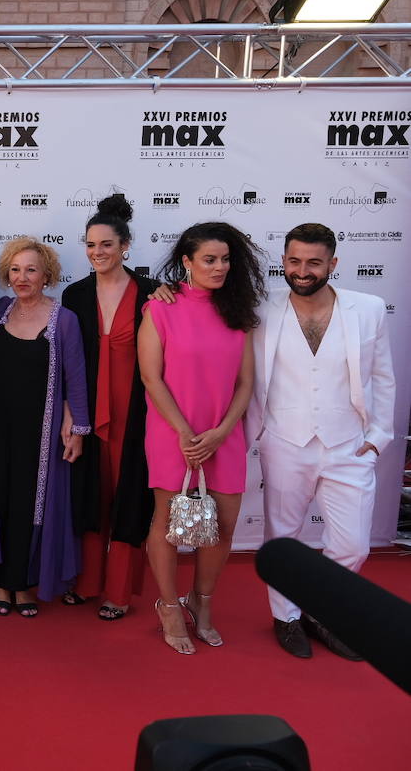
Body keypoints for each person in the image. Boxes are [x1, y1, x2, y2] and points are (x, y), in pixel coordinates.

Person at [250, 224, 394, 660]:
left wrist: (378, 437)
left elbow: (383, 376)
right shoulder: (261, 307)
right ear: (284, 260)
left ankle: (321, 612)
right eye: (294, 261)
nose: (302, 270)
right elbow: (200, 303)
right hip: (284, 440)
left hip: (348, 443)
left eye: (314, 262)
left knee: (352, 545)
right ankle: (287, 616)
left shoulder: (367, 308)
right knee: (283, 537)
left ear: (333, 263)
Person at [138, 222, 261, 655]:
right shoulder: (160, 309)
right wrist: (188, 435)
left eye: (226, 259)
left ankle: (201, 603)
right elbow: (151, 379)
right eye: (209, 259)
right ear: (187, 262)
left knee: (223, 526)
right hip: (173, 433)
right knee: (167, 525)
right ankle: (169, 605)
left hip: (223, 435)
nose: (220, 267)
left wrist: (222, 432)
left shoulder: (239, 313)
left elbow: (246, 383)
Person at [0, 238, 90, 616]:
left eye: (31, 269)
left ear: (46, 274)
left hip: (43, 432)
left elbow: (76, 379)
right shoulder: (0, 310)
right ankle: (0, 581)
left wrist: (77, 428)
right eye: (15, 269)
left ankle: (24, 583)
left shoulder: (63, 320)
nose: (22, 277)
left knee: (30, 505)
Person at [60, 196, 157, 621]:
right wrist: (70, 417)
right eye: (90, 245)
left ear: (126, 246)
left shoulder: (153, 294)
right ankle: (87, 583)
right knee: (89, 495)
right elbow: (65, 361)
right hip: (87, 412)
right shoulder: (75, 294)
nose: (97, 253)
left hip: (137, 415)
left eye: (106, 245)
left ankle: (117, 591)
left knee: (128, 497)